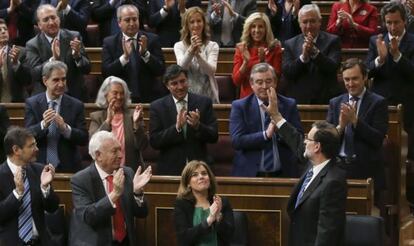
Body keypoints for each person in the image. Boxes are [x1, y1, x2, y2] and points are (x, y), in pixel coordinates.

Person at [264, 88, 347, 245]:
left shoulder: (333, 181)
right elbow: (295, 140)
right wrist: (276, 116)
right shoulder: (314, 163)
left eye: (307, 139)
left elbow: (327, 231)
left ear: (317, 147)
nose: (304, 141)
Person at [70, 130, 151, 246]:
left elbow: (142, 213)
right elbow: (89, 217)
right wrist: (114, 195)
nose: (120, 155)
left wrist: (137, 193)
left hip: (125, 241)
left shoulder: (127, 173)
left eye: (120, 149)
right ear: (98, 155)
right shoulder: (81, 180)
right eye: (114, 151)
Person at [327, 58, 388, 197]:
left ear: (365, 77)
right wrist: (341, 126)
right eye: (346, 79)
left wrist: (355, 121)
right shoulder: (335, 103)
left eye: (355, 79)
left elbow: (378, 139)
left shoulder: (378, 102)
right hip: (338, 167)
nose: (350, 84)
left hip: (365, 169)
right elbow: (327, 139)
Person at [230, 63, 303, 177]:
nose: (264, 86)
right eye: (259, 82)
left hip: (284, 174)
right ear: (251, 84)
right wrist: (265, 135)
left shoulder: (289, 105)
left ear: (275, 82)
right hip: (249, 175)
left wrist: (280, 128)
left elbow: (299, 140)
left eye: (268, 81)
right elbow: (237, 141)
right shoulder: (240, 106)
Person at [365, 2, 414, 160]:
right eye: (388, 23)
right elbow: (367, 71)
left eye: (396, 22)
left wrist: (398, 56)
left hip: (408, 104)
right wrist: (380, 59)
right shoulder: (376, 41)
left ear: (404, 21)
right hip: (381, 103)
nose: (392, 27)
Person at [149, 65, 218, 175]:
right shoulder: (157, 107)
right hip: (170, 169)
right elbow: (155, 141)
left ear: (188, 80)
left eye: (182, 81)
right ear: (167, 86)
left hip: (199, 167)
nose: (180, 87)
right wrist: (176, 129)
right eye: (174, 83)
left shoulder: (204, 102)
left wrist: (197, 126)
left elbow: (214, 136)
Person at [24, 60, 89, 172]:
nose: (61, 84)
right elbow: (27, 134)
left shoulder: (76, 105)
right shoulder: (32, 103)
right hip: (39, 166)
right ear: (45, 81)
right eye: (56, 80)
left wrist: (65, 129)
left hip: (68, 167)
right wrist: (43, 125)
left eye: (63, 79)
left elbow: (83, 138)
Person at [0, 127, 59, 245]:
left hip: (40, 242)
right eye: (31, 146)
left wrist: (45, 188)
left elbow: (52, 208)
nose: (37, 149)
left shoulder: (39, 170)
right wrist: (17, 193)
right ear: (16, 150)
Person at [26, 4, 91, 102]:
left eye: (53, 17)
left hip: (74, 96)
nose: (51, 22)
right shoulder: (32, 44)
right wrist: (53, 59)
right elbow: (34, 74)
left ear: (59, 19)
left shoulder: (74, 36)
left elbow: (87, 69)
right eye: (46, 20)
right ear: (39, 25)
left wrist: (77, 56)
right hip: (45, 97)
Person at [102, 4, 166, 103]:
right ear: (119, 22)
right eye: (127, 20)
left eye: (135, 19)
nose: (132, 23)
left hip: (149, 97)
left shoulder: (152, 39)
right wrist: (124, 58)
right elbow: (106, 73)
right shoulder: (109, 43)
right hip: (120, 98)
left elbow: (160, 70)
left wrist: (145, 54)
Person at [282, 4, 342, 104]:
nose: (309, 26)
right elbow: (288, 72)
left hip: (326, 99)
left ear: (320, 22)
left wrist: (315, 52)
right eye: (305, 22)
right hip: (299, 100)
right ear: (299, 23)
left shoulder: (333, 41)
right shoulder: (290, 43)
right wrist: (303, 58)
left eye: (312, 21)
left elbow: (333, 67)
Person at [89, 76, 148, 172]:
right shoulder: (97, 117)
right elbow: (93, 145)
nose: (119, 97)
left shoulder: (133, 115)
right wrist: (108, 121)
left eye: (122, 93)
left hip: (130, 172)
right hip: (103, 172)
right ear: (105, 95)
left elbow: (143, 145)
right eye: (115, 93)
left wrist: (136, 124)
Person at [174, 160, 234, 246]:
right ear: (188, 183)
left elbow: (229, 236)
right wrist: (209, 221)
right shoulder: (181, 204)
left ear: (209, 179)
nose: (201, 177)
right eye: (195, 175)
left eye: (204, 173)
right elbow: (183, 239)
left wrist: (218, 218)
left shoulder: (222, 202)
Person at [174, 7, 220, 103]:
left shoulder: (213, 45)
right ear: (186, 25)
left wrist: (198, 55)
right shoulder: (179, 46)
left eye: (199, 21)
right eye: (192, 22)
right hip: (187, 96)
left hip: (208, 97)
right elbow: (181, 68)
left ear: (204, 23)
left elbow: (211, 71)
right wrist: (191, 50)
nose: (196, 25)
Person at [232, 12, 282, 99]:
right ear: (248, 29)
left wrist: (263, 62)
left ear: (266, 29)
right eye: (253, 26)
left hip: (268, 97)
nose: (257, 30)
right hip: (247, 99)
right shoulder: (241, 48)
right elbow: (236, 81)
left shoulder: (275, 48)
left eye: (261, 26)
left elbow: (276, 78)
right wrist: (245, 62)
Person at [0, 19, 31, 102]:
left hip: (18, 104)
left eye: (5, 29)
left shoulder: (21, 52)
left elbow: (28, 81)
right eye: (0, 30)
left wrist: (16, 64)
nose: (3, 32)